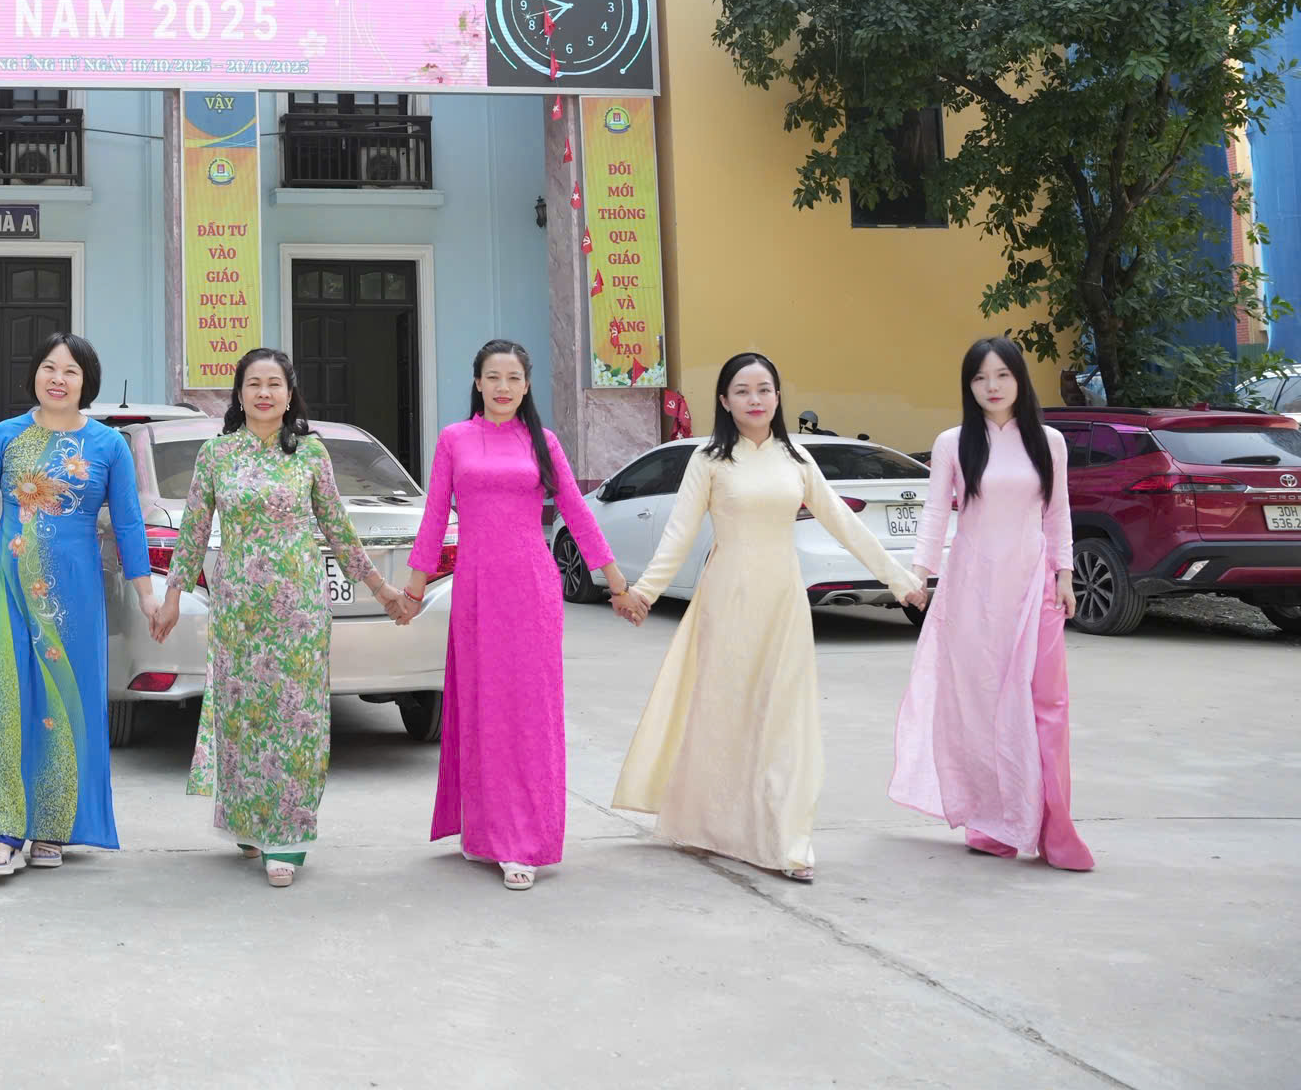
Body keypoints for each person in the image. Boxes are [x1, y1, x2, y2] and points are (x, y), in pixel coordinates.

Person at [611, 352, 929, 882]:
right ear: (724, 401)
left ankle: (787, 839)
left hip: (783, 602)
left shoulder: (796, 459)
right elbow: (679, 535)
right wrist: (643, 593)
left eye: (764, 389)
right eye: (742, 390)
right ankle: (712, 825)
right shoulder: (709, 461)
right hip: (726, 600)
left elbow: (845, 526)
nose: (754, 399)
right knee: (724, 714)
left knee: (783, 718)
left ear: (778, 397)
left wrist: (899, 581)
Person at [156, 347, 411, 887]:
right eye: (254, 383)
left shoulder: (311, 453)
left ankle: (289, 835)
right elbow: (194, 530)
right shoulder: (216, 455)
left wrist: (380, 587)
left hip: (299, 609)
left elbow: (338, 528)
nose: (264, 393)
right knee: (244, 717)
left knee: (296, 719)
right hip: (238, 610)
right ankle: (249, 820)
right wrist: (174, 594)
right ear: (239, 394)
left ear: (290, 394)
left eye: (274, 384)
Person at [397, 340, 634, 890]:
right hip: (477, 593)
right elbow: (434, 519)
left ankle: (524, 841)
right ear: (477, 383)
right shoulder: (455, 439)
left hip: (531, 591)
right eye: (492, 377)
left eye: (513, 378)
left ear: (526, 386)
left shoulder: (543, 442)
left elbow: (577, 513)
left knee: (529, 715)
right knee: (484, 711)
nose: (502, 387)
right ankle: (485, 832)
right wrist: (411, 592)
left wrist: (618, 584)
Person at [0, 332, 159, 880]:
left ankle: (53, 825)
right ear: (34, 374)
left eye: (71, 371)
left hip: (76, 596)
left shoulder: (108, 445)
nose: (58, 378)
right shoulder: (7, 436)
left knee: (65, 702)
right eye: (49, 367)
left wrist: (147, 594)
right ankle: (2, 832)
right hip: (9, 588)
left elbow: (128, 524)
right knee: (4, 698)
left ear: (86, 383)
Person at [892, 338, 1094, 870]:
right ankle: (992, 822)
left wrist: (1065, 576)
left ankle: (1054, 828)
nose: (992, 386)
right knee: (979, 705)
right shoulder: (953, 443)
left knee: (1047, 707)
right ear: (969, 387)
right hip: (973, 591)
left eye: (1002, 375)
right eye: (980, 378)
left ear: (1019, 379)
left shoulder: (1048, 441)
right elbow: (935, 513)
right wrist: (918, 574)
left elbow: (1058, 513)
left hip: (1033, 587)